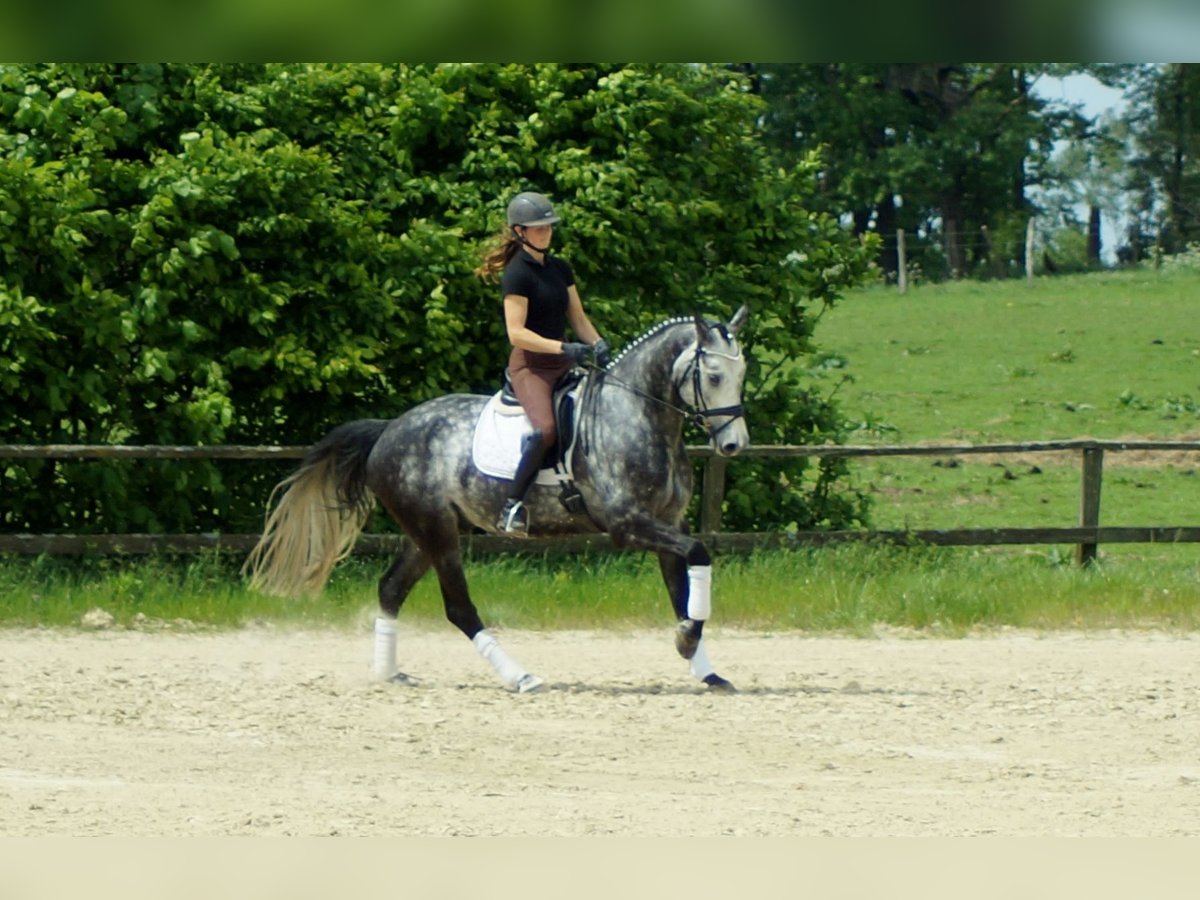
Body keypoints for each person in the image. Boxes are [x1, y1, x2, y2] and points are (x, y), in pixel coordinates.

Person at [475, 190, 611, 534]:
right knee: (545, 429)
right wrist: (562, 348)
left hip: (562, 362)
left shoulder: (560, 268)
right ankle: (512, 505)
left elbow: (577, 318)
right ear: (520, 231)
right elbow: (516, 333)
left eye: (549, 226)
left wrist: (596, 343)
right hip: (531, 366)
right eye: (539, 227)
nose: (546, 231)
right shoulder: (517, 274)